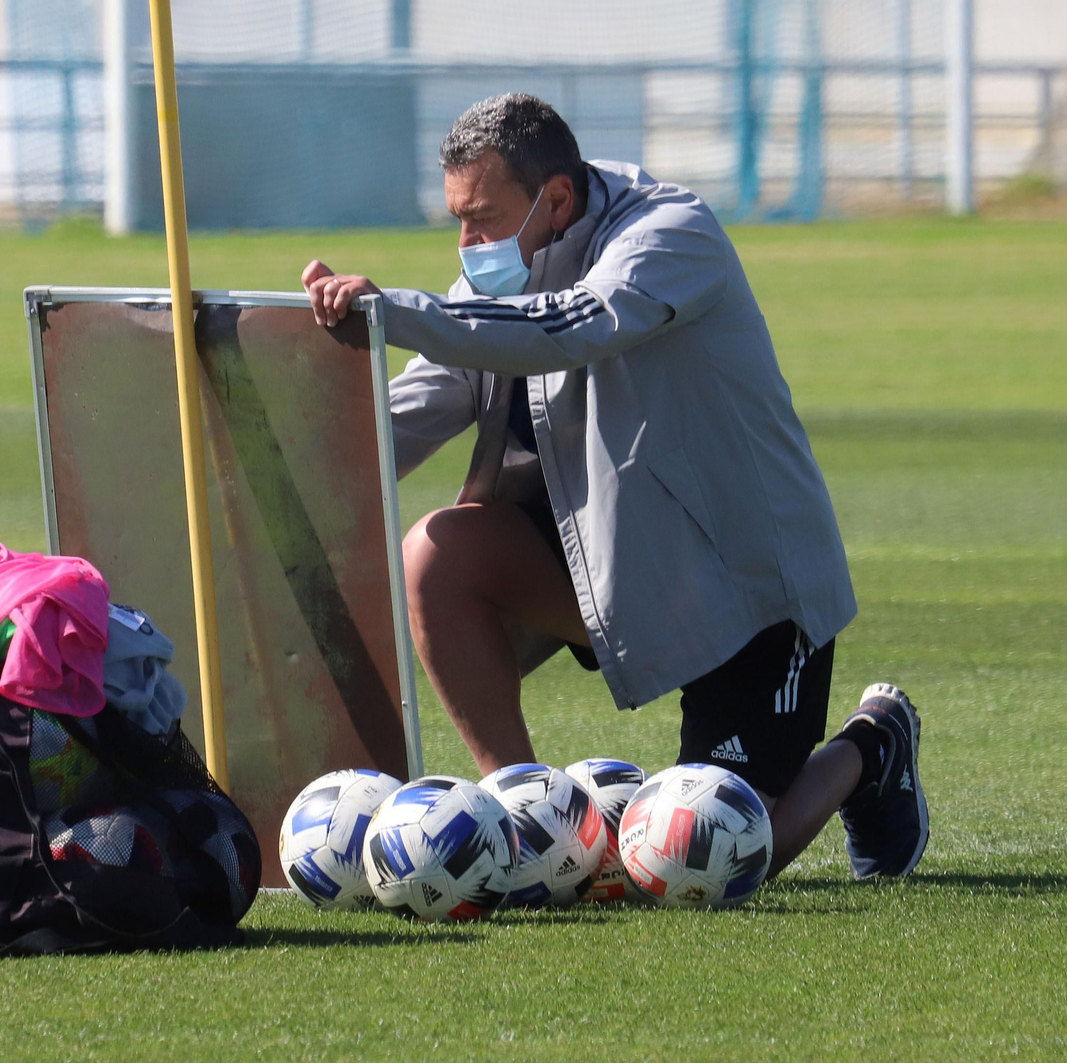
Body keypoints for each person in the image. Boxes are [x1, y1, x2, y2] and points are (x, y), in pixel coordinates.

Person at [301, 93, 927, 880]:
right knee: (436, 552)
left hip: (750, 590)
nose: (467, 246)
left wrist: (397, 312)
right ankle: (526, 823)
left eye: (484, 218)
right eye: (457, 221)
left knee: (709, 858)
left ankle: (872, 746)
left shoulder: (672, 234)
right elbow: (402, 418)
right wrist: (278, 460)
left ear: (556, 198)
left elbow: (577, 321)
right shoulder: (498, 271)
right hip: (615, 569)